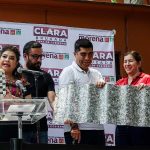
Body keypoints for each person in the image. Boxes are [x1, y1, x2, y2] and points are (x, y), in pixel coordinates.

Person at [59, 38, 106, 145]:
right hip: (77, 130)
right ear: (75, 54)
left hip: (97, 128)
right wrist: (74, 126)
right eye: (83, 54)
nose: (87, 58)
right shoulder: (68, 71)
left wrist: (104, 88)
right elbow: (66, 102)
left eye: (90, 54)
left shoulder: (97, 73)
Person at [22, 41, 55, 144]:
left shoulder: (45, 76)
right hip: (22, 128)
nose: (39, 60)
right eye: (35, 56)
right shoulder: (18, 75)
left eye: (41, 56)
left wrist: (58, 109)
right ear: (25, 56)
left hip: (41, 129)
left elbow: (52, 99)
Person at [115, 51, 150, 146]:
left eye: (130, 61)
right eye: (125, 61)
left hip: (141, 126)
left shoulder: (147, 79)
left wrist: (147, 89)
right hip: (121, 126)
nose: (127, 64)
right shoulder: (119, 82)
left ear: (138, 63)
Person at [0, 45, 31, 142]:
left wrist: (16, 101)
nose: (7, 60)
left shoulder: (22, 81)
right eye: (4, 56)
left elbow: (29, 103)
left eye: (12, 58)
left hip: (17, 127)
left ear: (16, 63)